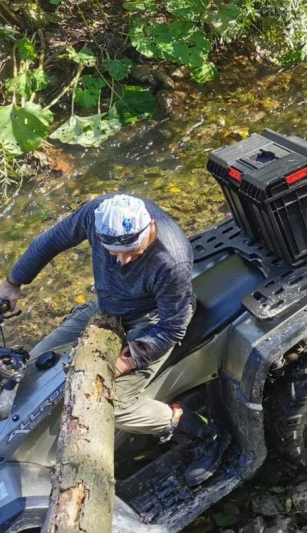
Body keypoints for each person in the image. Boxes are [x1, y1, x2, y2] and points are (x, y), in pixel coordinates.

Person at [0, 194, 226, 486]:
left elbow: (172, 328)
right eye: (113, 252)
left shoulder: (172, 261)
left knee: (113, 402)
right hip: (108, 306)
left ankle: (203, 432)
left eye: (132, 251)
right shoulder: (97, 214)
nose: (122, 260)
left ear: (150, 228)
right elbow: (52, 240)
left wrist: (119, 364)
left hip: (152, 318)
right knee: (37, 364)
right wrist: (14, 281)